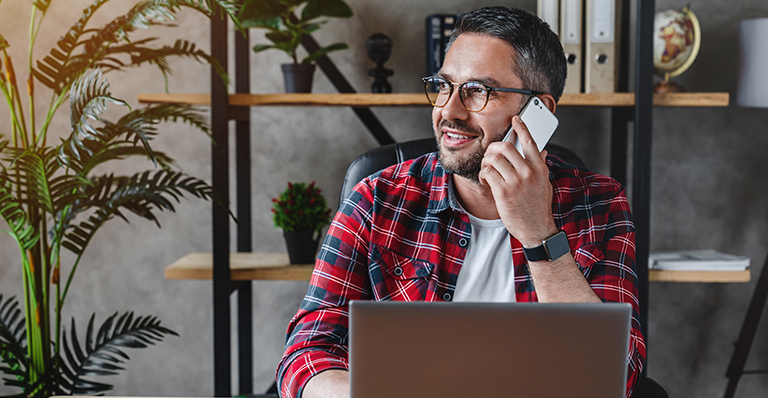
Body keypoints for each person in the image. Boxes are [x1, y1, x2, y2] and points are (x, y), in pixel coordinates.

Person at [277, 6, 645, 398]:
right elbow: (305, 356)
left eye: (477, 92)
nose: (448, 111)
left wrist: (539, 233)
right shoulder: (375, 200)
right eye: (443, 86)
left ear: (539, 111)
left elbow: (614, 376)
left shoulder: (600, 203)